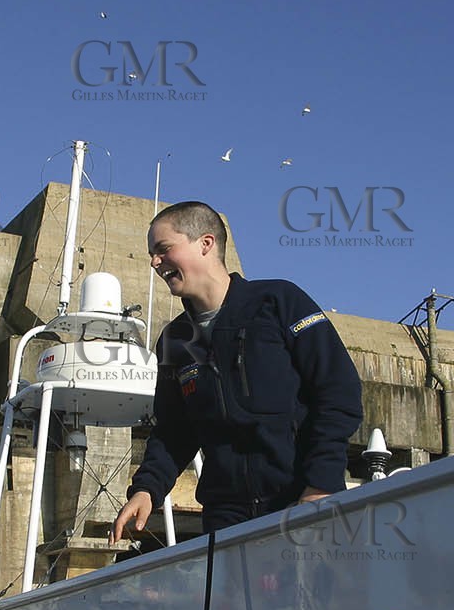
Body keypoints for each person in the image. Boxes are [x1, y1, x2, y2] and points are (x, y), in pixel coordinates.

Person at [112, 200, 363, 540]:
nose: (155, 262)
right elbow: (173, 432)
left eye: (163, 249)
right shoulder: (175, 340)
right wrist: (146, 489)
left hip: (301, 503)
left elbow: (338, 391)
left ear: (205, 243)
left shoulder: (278, 302)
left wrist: (321, 482)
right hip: (226, 521)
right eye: (152, 254)